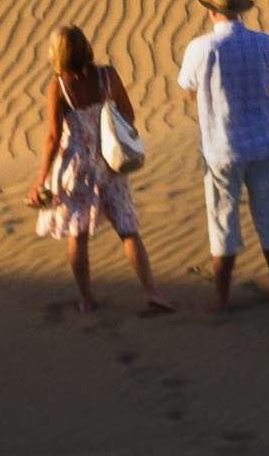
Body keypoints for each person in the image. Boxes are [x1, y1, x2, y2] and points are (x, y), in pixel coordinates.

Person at [27, 24, 172, 317]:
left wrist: (41, 179)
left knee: (76, 235)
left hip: (76, 168)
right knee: (128, 230)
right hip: (111, 164)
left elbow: (53, 136)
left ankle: (86, 299)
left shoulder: (60, 87)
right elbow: (128, 113)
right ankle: (151, 291)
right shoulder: (108, 75)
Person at [174, 0, 269, 314]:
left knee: (222, 222)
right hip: (266, 143)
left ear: (213, 12)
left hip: (222, 151)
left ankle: (222, 299)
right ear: (240, 10)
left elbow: (188, 91)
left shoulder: (200, 48)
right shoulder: (265, 43)